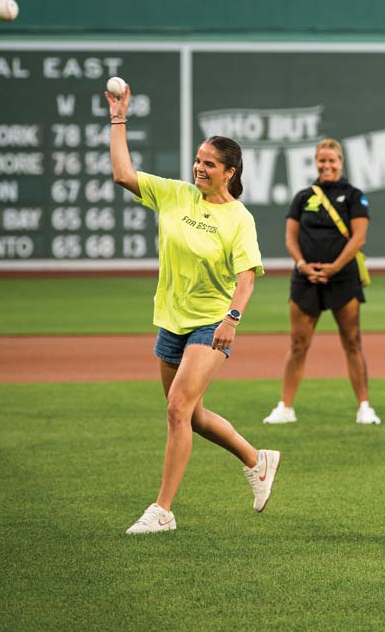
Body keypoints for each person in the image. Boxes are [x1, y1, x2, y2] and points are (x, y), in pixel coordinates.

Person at [107, 85, 279, 535]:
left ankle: (162, 510)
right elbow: (123, 174)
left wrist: (232, 320)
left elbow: (246, 278)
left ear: (229, 172)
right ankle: (256, 460)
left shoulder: (239, 218)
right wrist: (118, 119)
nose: (199, 167)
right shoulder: (175, 194)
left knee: (177, 409)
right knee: (192, 414)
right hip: (170, 318)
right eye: (198, 159)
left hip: (211, 322)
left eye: (209, 163)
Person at [264, 139, 379, 425]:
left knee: (352, 340)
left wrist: (334, 267)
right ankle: (285, 408)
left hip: (343, 276)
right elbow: (290, 236)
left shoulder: (354, 195)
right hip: (306, 278)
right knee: (298, 343)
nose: (327, 165)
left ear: (341, 162)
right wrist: (303, 265)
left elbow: (359, 238)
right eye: (322, 161)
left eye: (332, 161)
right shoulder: (303, 196)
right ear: (315, 162)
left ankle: (365, 407)